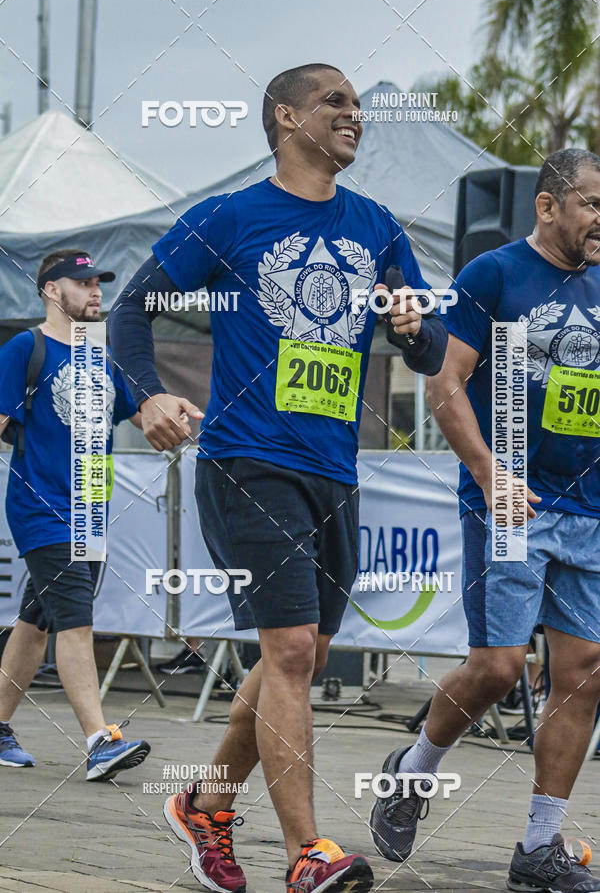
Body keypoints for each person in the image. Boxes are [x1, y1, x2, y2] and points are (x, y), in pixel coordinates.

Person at [109, 63, 447, 893]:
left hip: (335, 470)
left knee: (297, 655)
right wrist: (149, 395)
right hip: (247, 461)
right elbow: (128, 310)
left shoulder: (376, 226)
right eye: (335, 103)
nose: (354, 116)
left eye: (359, 107)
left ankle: (204, 802)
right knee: (293, 650)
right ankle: (307, 855)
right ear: (284, 117)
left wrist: (412, 328)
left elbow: (431, 351)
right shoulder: (229, 217)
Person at [369, 149, 600, 892]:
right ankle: (412, 773)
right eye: (592, 205)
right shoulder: (495, 275)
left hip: (590, 507)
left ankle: (539, 848)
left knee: (584, 675)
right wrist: (489, 473)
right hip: (512, 501)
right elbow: (445, 382)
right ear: (548, 206)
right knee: (499, 668)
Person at [0, 249, 150, 781]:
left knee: (35, 623)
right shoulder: (26, 348)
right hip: (42, 509)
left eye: (99, 283)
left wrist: (173, 407)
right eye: (83, 283)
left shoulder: (99, 355)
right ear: (50, 290)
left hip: (89, 512)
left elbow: (142, 411)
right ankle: (98, 740)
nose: (95, 292)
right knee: (76, 623)